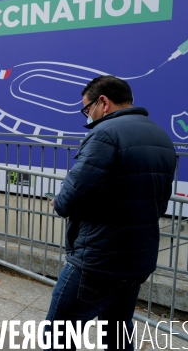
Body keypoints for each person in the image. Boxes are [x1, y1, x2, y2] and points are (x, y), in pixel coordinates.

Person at [45, 76, 176, 350]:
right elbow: (158, 201)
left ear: (103, 102)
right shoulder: (160, 135)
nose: (87, 115)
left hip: (98, 258)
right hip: (138, 257)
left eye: (87, 108)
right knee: (116, 334)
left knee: (58, 335)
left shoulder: (105, 134)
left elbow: (72, 194)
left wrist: (57, 202)